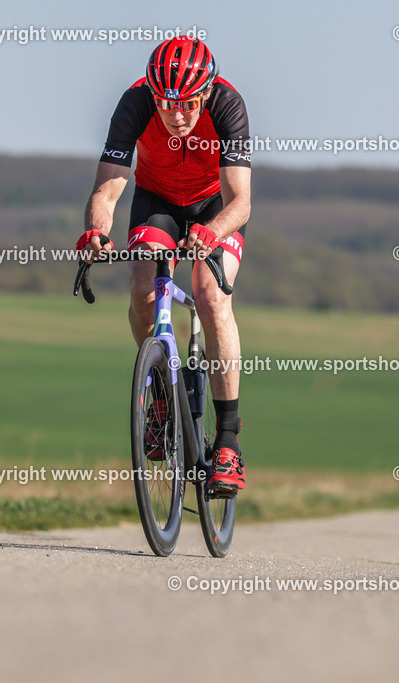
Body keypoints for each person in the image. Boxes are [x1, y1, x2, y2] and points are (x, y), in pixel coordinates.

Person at [77, 37, 251, 496]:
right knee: (143, 288)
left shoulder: (228, 105)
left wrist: (212, 231)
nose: (177, 115)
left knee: (210, 296)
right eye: (167, 104)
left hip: (215, 208)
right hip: (158, 202)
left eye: (188, 104)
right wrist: (96, 231)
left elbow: (241, 201)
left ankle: (228, 441)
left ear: (206, 92)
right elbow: (108, 187)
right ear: (153, 96)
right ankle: (160, 397)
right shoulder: (135, 102)